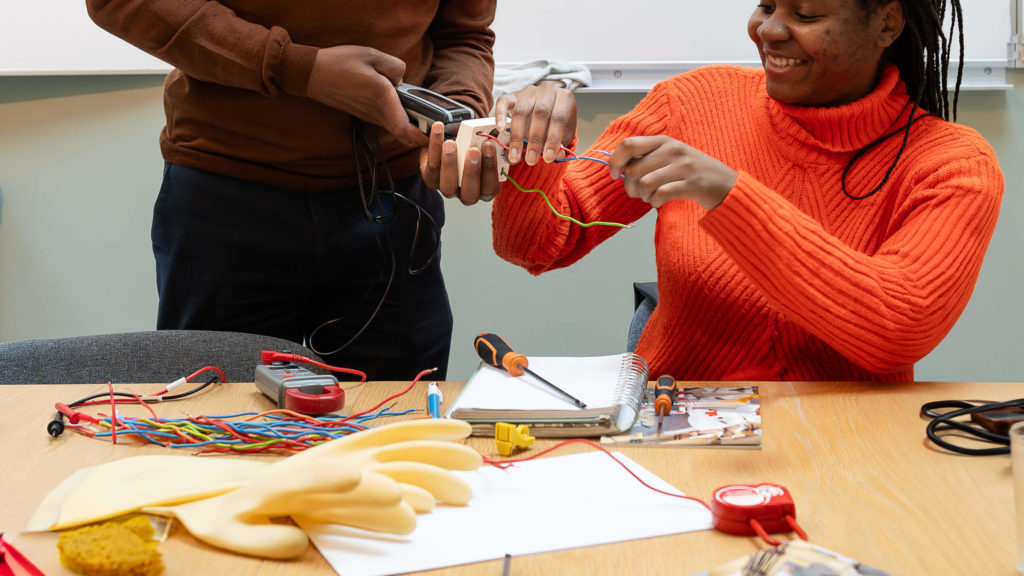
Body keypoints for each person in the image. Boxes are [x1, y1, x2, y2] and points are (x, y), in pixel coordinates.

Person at [438, 0, 1004, 381]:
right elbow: (540, 245)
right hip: (674, 430)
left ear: (887, 23)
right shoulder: (694, 102)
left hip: (853, 446)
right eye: (765, 5)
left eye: (805, 13)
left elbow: (897, 328)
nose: (770, 30)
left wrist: (730, 194)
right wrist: (537, 153)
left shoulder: (952, 162)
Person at [85, 1, 497, 380]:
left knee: (397, 432)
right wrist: (299, 69)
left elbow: (463, 34)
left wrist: (458, 123)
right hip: (227, 200)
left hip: (394, 205)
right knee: (221, 438)